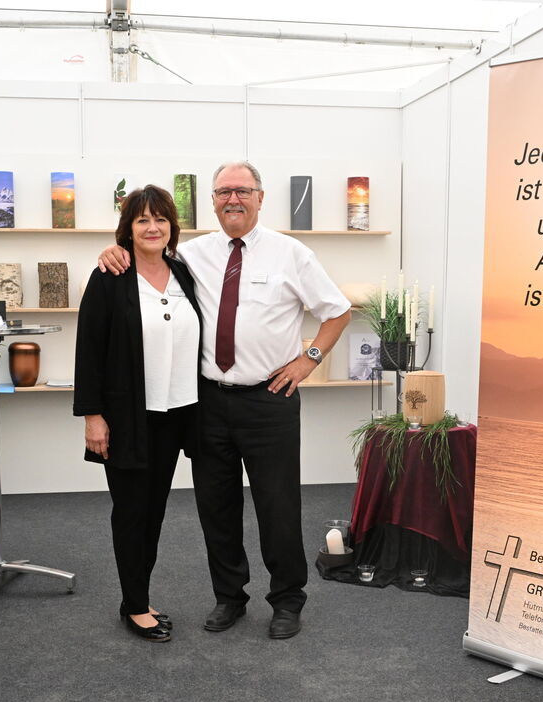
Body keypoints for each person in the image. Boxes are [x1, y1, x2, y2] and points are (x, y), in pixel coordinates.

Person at [98, 160, 351, 639]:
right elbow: (144, 255)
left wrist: (308, 360)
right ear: (212, 201)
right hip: (208, 403)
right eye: (223, 192)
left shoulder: (291, 253)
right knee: (216, 508)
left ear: (260, 197)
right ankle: (229, 597)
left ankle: (287, 600)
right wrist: (113, 250)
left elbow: (337, 312)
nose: (233, 199)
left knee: (278, 507)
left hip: (269, 401)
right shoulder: (190, 256)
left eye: (243, 190)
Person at [74, 184, 202, 643]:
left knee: (154, 512)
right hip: (128, 417)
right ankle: (134, 606)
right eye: (142, 219)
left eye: (160, 219)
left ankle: (138, 597)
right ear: (127, 228)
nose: (152, 227)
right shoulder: (109, 277)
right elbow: (89, 349)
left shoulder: (184, 272)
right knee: (131, 512)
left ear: (172, 227)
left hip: (176, 414)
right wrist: (93, 416)